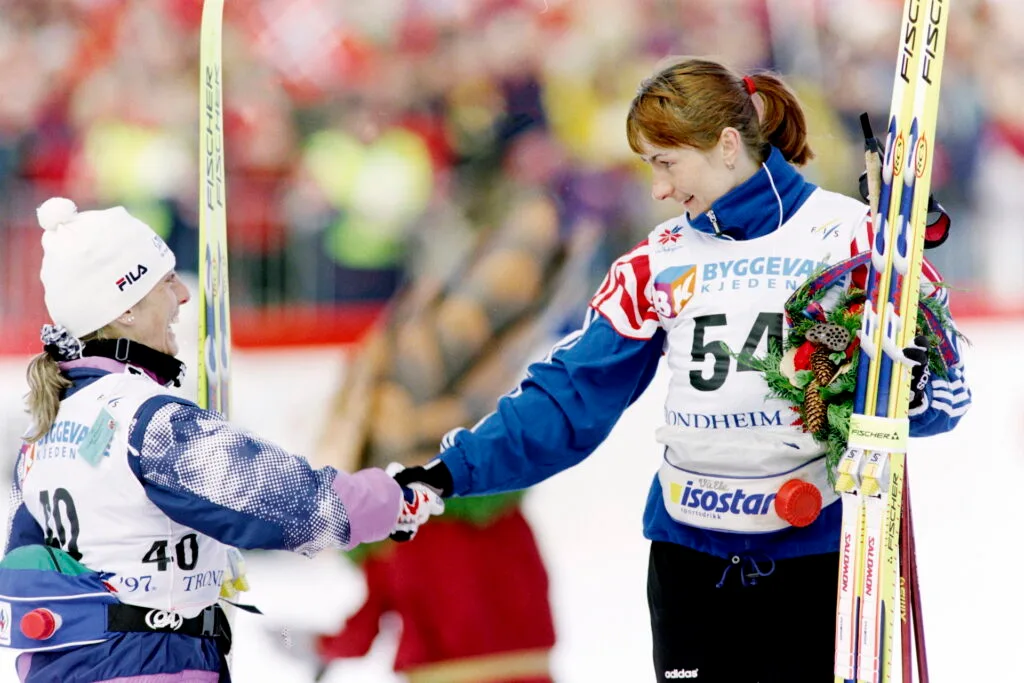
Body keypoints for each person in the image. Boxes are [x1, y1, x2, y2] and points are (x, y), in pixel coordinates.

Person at [388, 58, 972, 682]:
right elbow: (569, 396)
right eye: (649, 167)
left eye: (666, 163)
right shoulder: (658, 260)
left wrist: (911, 392)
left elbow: (950, 391)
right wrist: (451, 472)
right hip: (689, 565)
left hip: (816, 556)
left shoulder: (850, 239)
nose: (659, 189)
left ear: (725, 145)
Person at [1, 197, 444, 683]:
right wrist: (391, 499)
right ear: (125, 308)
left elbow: (25, 575)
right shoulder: (148, 420)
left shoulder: (44, 430)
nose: (183, 296)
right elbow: (289, 500)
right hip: (150, 666)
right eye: (165, 281)